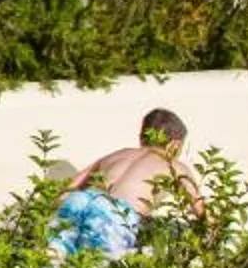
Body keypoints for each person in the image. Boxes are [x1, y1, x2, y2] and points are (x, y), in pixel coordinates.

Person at [54, 106, 211, 257]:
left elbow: (67, 189)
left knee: (54, 263)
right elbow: (204, 215)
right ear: (174, 145)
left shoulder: (117, 155)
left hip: (80, 199)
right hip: (115, 213)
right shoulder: (175, 166)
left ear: (142, 137)